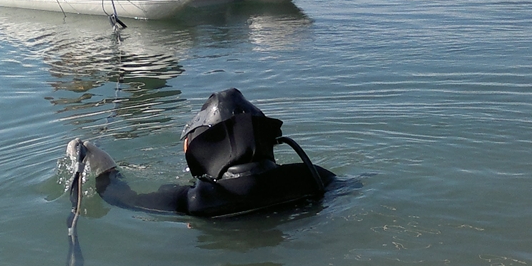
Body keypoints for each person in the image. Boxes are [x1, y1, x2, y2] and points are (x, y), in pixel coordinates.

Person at [66, 88, 335, 218]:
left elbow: (121, 198)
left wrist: (99, 161)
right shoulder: (312, 177)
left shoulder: (196, 199)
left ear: (199, 145)